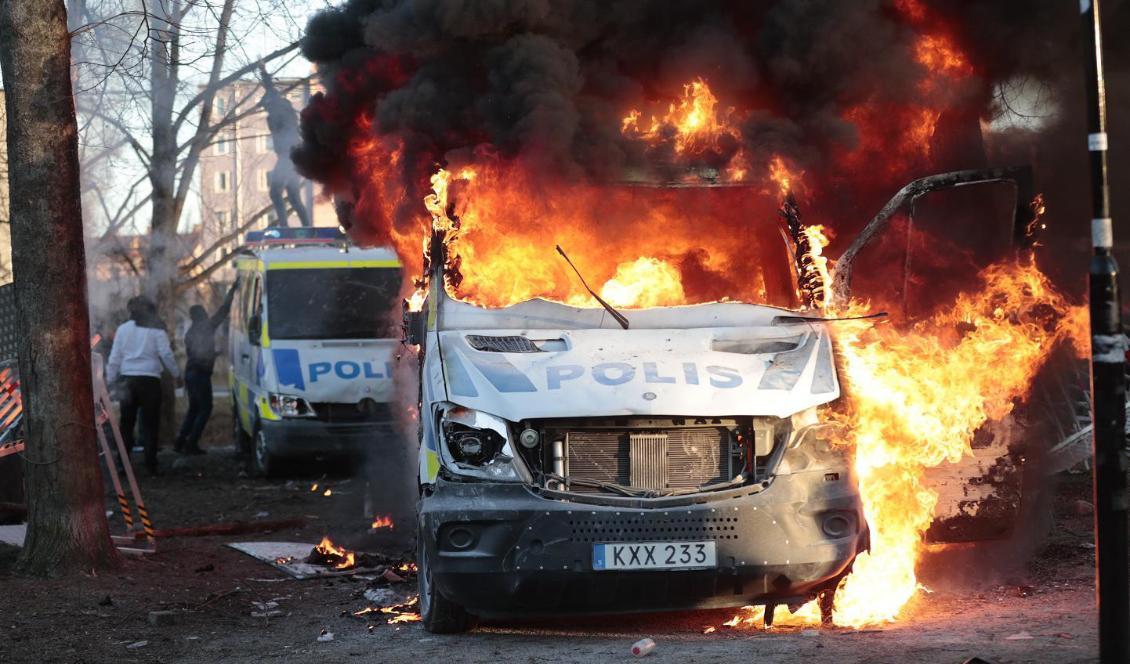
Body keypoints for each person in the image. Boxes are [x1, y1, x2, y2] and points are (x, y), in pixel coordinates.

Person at [107, 296, 180, 476]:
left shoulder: (123, 330)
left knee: (126, 424)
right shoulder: (157, 330)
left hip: (128, 381)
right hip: (150, 381)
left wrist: (109, 380)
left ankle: (123, 464)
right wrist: (178, 374)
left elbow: (115, 357)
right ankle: (150, 464)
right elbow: (166, 355)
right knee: (150, 424)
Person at [175, 281, 238, 455]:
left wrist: (215, 353)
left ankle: (180, 441)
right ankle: (191, 443)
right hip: (200, 375)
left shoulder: (191, 332)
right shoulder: (206, 327)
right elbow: (223, 311)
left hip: (191, 373)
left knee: (194, 409)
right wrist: (232, 290)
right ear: (202, 315)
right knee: (205, 408)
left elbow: (197, 354)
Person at [258, 66, 312, 227]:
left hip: (287, 157)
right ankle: (306, 227)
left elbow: (272, 93)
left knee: (275, 193)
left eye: (266, 106)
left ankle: (284, 226)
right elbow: (270, 89)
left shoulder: (281, 111)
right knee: (294, 197)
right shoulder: (280, 110)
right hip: (292, 158)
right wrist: (263, 71)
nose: (265, 109)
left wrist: (264, 76)